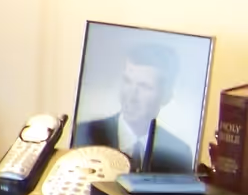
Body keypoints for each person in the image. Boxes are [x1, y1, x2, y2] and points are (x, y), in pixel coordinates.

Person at [73, 40, 193, 172]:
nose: (131, 96)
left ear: (166, 96)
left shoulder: (179, 153)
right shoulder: (85, 134)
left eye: (144, 87)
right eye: (127, 81)